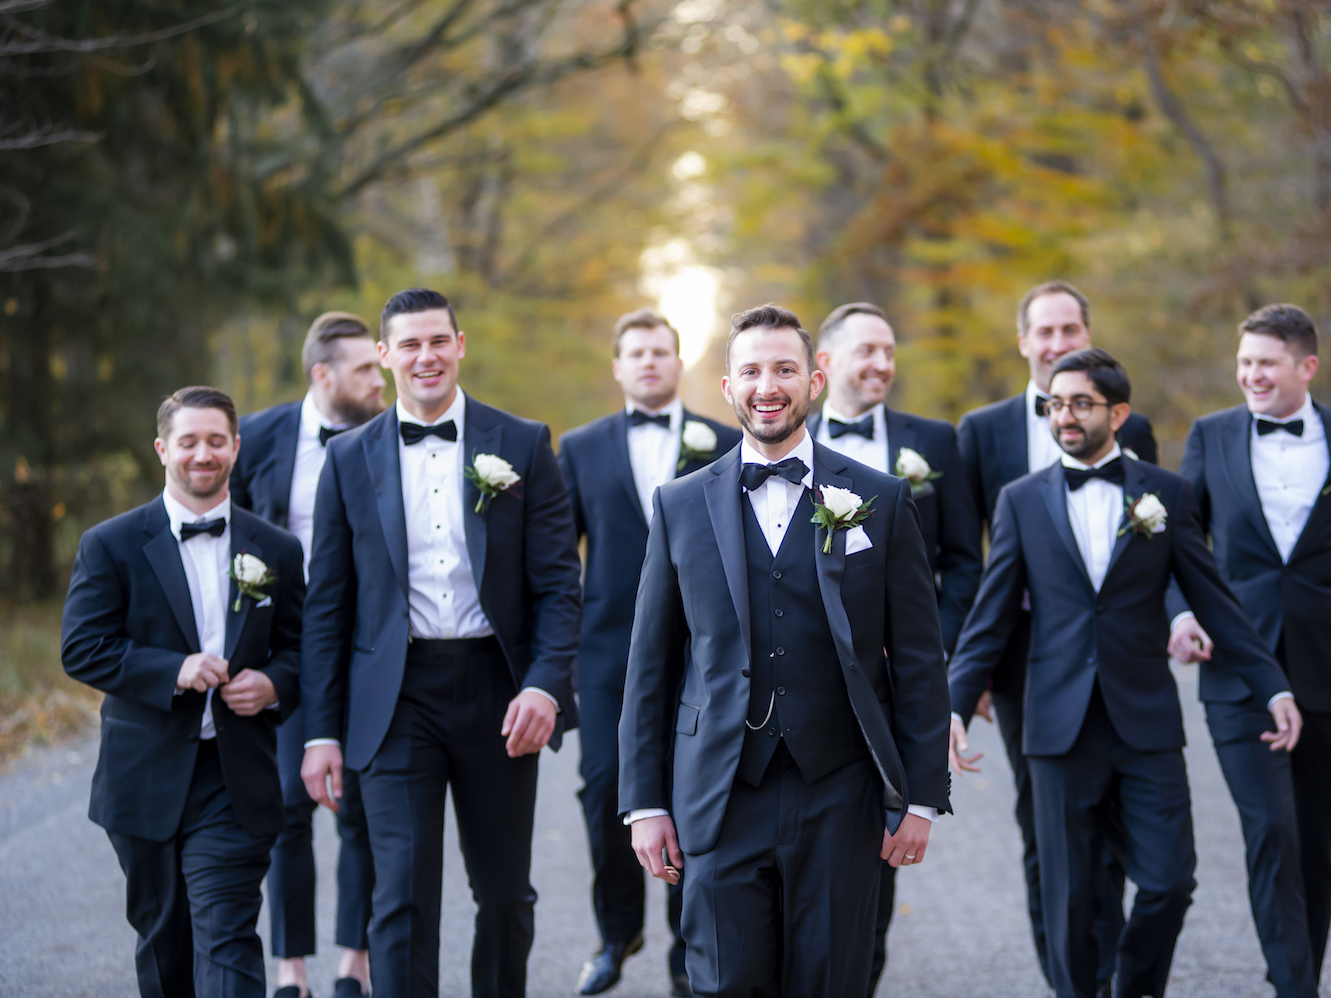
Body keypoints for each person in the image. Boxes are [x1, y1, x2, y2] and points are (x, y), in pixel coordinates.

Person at [619, 304, 952, 997]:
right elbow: (650, 665)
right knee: (723, 980)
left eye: (783, 369)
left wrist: (922, 797)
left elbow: (918, 658)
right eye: (751, 371)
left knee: (832, 979)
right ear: (728, 388)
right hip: (718, 789)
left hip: (840, 787)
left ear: (816, 379)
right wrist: (644, 803)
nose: (767, 386)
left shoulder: (880, 500)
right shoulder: (680, 505)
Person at [948, 348, 1303, 998]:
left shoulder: (1163, 495)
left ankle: (1134, 986)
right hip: (1057, 728)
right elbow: (992, 614)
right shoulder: (1020, 501)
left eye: (1081, 403)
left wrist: (1272, 684)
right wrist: (955, 700)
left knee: (1171, 880)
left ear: (1119, 412)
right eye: (1056, 404)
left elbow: (1215, 600)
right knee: (1072, 898)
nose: (1066, 417)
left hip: (1146, 722)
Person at [298, 288, 582, 998]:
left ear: (460, 346)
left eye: (438, 341)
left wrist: (545, 684)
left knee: (506, 895)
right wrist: (319, 733)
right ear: (386, 357)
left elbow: (558, 586)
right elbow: (328, 606)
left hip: (499, 692)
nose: (425, 356)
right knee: (400, 895)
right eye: (409, 345)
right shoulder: (348, 459)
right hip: (395, 699)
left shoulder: (521, 444)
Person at [1166, 304, 1331, 992]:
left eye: (1265, 362)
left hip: (1330, 669)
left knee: (1316, 838)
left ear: (1307, 367)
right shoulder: (1210, 436)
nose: (1251, 375)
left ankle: (1298, 978)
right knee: (1270, 829)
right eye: (1243, 363)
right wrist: (1180, 615)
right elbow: (1179, 549)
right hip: (1238, 670)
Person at [62, 386, 305, 998]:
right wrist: (174, 669)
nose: (204, 453)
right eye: (189, 441)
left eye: (216, 441)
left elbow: (306, 649)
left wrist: (274, 682)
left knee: (226, 937)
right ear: (162, 449)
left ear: (236, 448)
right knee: (165, 943)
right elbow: (83, 648)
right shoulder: (110, 544)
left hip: (235, 774)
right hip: (144, 776)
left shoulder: (276, 548)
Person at [953, 280, 1155, 992]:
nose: (1058, 342)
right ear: (1023, 342)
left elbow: (1160, 549)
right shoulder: (981, 432)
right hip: (1021, 660)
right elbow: (964, 557)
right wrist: (967, 669)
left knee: (1114, 816)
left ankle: (1106, 962)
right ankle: (1071, 978)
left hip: (1112, 655)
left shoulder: (1133, 423)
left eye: (1070, 329)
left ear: (1087, 334)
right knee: (1045, 823)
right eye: (1044, 331)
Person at [558, 308, 738, 996]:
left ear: (679, 360)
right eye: (636, 353)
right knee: (606, 789)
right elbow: (553, 559)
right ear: (618, 366)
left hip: (702, 655)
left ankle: (685, 953)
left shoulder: (725, 441)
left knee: (694, 797)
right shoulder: (580, 448)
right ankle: (616, 930)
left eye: (661, 352)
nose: (650, 363)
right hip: (606, 660)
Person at [807, 300, 982, 995]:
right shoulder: (788, 445)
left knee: (876, 854)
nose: (882, 364)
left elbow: (965, 560)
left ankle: (858, 976)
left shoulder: (933, 443)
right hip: (810, 678)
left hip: (894, 681)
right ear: (825, 365)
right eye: (866, 351)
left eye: (889, 351)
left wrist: (926, 653)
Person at [230, 311, 387, 998]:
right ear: (323, 375)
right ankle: (290, 970)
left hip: (368, 645)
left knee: (360, 806)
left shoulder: (391, 438)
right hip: (286, 652)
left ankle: (355, 961)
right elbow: (226, 541)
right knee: (290, 804)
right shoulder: (259, 438)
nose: (379, 380)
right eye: (365, 370)